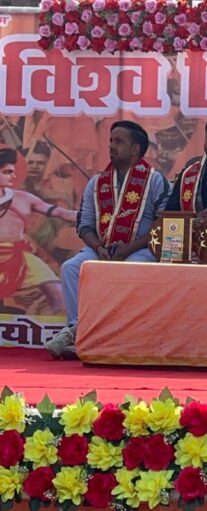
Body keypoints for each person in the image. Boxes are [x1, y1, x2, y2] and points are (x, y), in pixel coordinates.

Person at [43, 121, 170, 359]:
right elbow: (84, 224)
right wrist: (98, 247)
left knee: (131, 269)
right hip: (102, 248)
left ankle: (84, 335)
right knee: (71, 268)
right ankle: (80, 333)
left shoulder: (155, 181)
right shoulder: (97, 183)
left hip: (140, 249)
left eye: (118, 141)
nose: (111, 146)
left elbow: (162, 224)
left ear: (135, 149)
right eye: (111, 140)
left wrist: (128, 249)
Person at [0, 147, 77, 313]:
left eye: (13, 172)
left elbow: (60, 213)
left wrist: (89, 217)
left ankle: (57, 326)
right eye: (7, 172)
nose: (13, 176)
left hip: (18, 256)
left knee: (56, 292)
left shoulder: (23, 198)